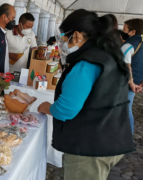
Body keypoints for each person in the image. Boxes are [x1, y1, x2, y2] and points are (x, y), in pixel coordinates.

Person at [37, 9, 135, 180]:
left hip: (90, 146)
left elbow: (66, 109)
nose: (63, 43)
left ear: (76, 35)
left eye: (64, 38)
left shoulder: (86, 63)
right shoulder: (109, 54)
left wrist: (46, 107)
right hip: (111, 136)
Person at [121, 18, 143, 134]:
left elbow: (126, 66)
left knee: (125, 109)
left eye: (124, 29)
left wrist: (131, 83)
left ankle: (127, 136)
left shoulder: (128, 45)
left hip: (126, 83)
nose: (123, 31)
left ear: (132, 32)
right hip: (137, 82)